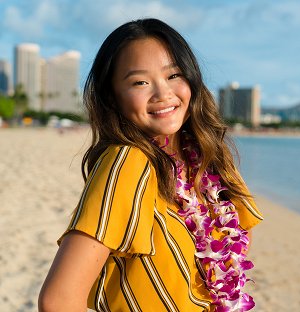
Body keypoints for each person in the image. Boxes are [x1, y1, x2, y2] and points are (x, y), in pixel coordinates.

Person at [38, 18, 263, 312]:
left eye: (174, 75)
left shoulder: (212, 165)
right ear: (113, 97)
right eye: (140, 82)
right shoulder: (127, 162)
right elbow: (58, 301)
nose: (163, 94)